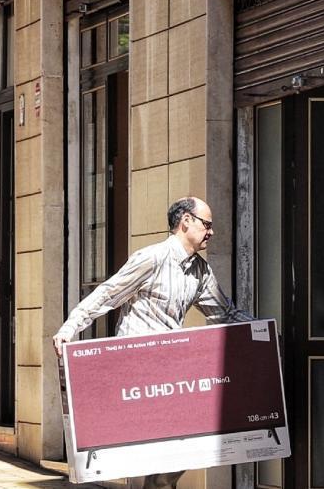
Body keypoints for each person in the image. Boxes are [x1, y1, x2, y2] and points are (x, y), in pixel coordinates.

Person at [52, 197, 252, 489]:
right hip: (136, 371)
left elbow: (225, 314)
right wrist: (71, 326)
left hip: (169, 371)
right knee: (145, 455)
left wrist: (263, 334)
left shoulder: (200, 271)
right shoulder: (152, 258)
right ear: (186, 221)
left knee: (190, 446)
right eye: (207, 225)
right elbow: (109, 294)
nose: (211, 232)